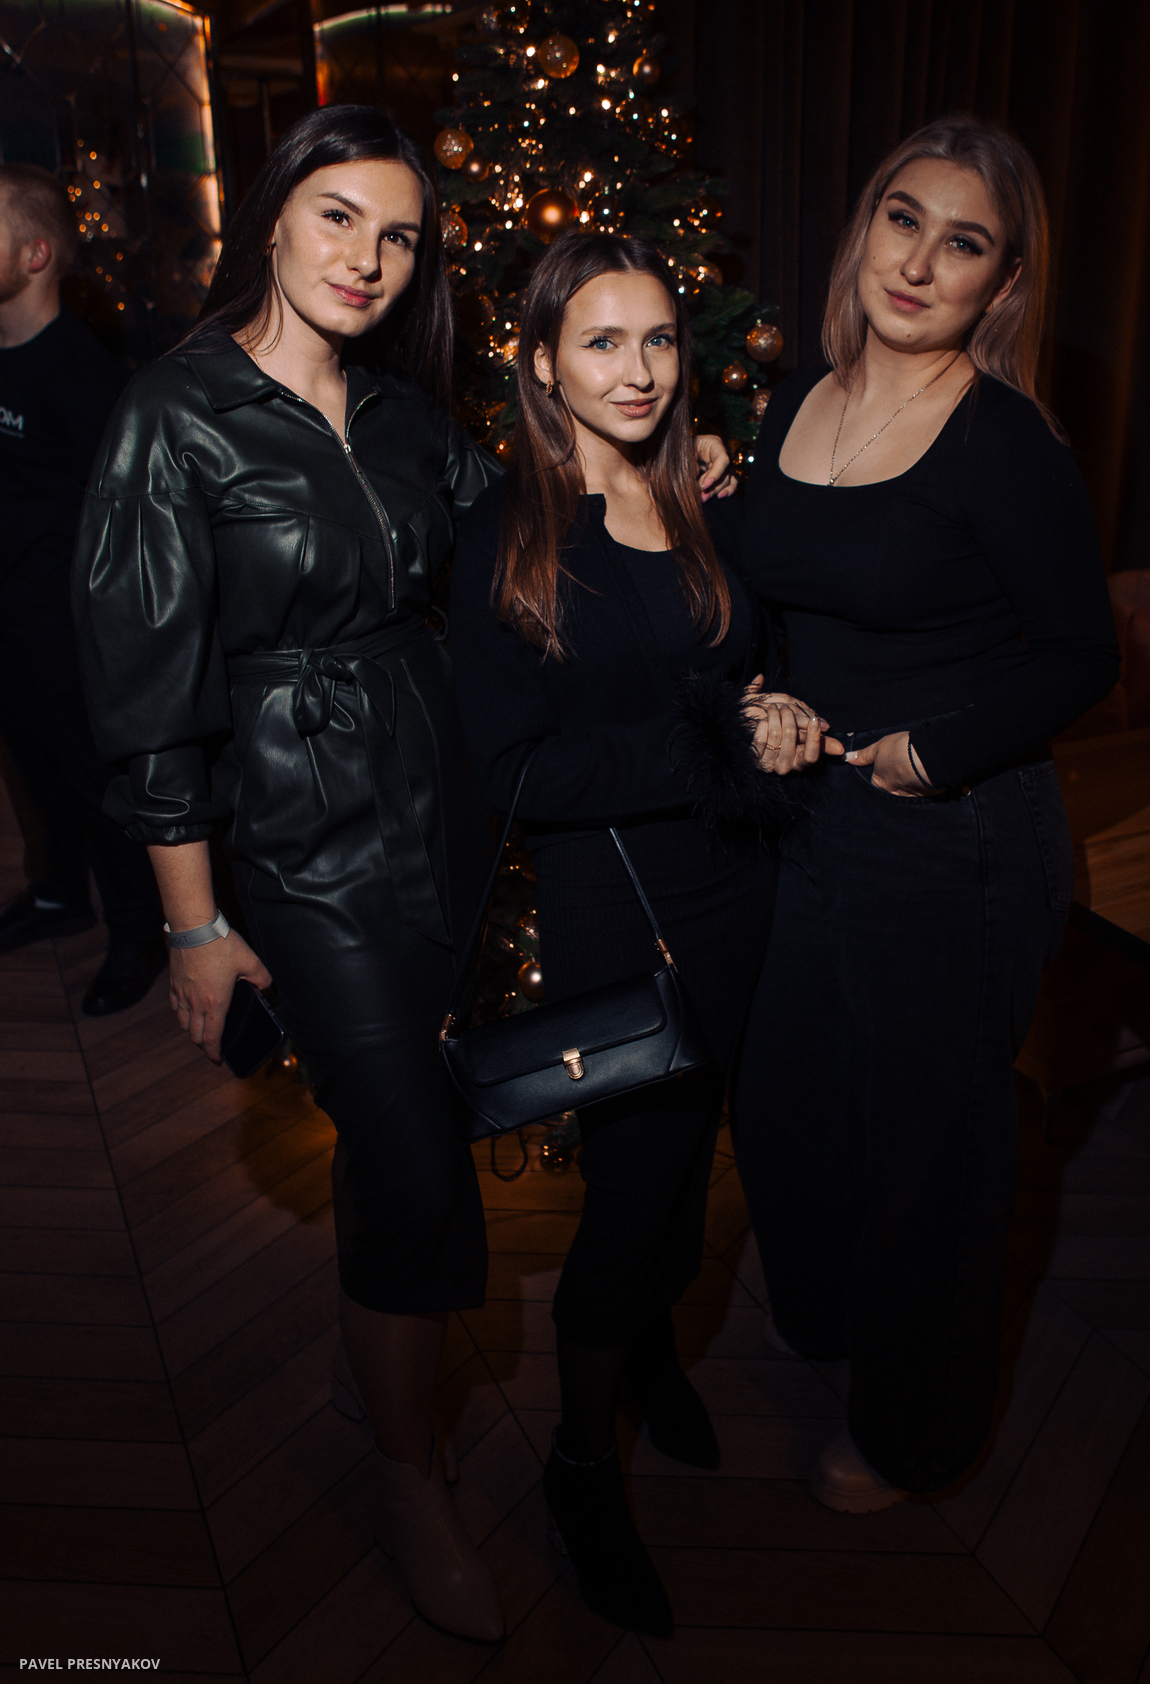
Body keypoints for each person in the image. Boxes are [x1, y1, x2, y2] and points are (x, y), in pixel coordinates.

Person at [72, 107, 737, 1643]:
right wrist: (192, 927)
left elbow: (524, 511)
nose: (367, 260)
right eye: (338, 219)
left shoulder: (401, 415)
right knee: (425, 1162)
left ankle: (371, 1350)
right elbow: (146, 704)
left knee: (402, 1136)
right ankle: (409, 1477)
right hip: (292, 841)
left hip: (441, 816)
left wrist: (663, 454)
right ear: (274, 218)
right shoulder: (171, 417)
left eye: (399, 238)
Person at [733, 114, 1120, 1513]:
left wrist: (937, 751)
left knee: (929, 1159)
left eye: (963, 244)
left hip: (949, 841)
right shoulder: (797, 400)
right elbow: (779, 596)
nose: (918, 262)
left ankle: (917, 1433)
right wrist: (760, 685)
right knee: (783, 1105)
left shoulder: (1003, 444)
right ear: (864, 229)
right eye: (903, 220)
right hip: (802, 826)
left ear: (999, 284)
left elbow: (1081, 654)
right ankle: (833, 1323)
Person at [449, 232, 829, 1638]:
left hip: (746, 888)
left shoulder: (701, 498)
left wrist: (772, 705)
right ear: (544, 363)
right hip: (621, 909)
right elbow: (515, 772)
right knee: (632, 1196)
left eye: (659, 339)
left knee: (694, 1162)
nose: (639, 369)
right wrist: (709, 741)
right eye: (602, 342)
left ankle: (656, 1352)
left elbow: (743, 661)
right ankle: (576, 1468)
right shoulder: (510, 534)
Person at [0, 162, 165, 1012]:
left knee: (98, 781)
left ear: (34, 255)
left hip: (67, 625)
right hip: (8, 618)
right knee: (30, 766)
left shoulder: (84, 376)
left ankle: (139, 934)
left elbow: (127, 524)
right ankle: (60, 894)